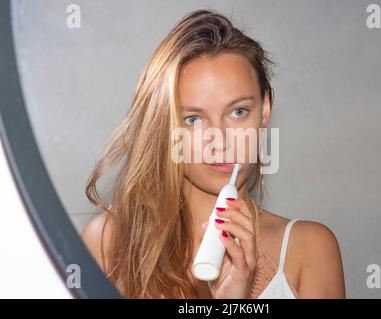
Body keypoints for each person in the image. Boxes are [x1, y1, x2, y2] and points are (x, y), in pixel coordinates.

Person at [81, 9, 345, 299]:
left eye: (238, 112)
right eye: (193, 119)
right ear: (165, 124)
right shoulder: (107, 243)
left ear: (265, 109)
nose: (220, 142)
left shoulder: (309, 251)